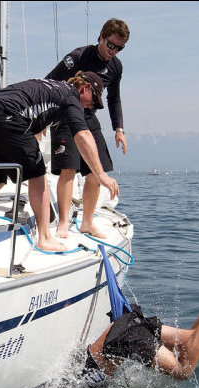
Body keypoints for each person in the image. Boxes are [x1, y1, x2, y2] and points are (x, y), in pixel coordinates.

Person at [0, 73, 119, 252]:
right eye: (94, 100)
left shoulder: (53, 86)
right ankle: (44, 238)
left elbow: (30, 104)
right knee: (38, 174)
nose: (91, 107)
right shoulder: (71, 96)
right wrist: (101, 174)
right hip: (4, 115)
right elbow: (83, 135)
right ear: (85, 88)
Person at [80, 282, 199, 387]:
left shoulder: (78, 381)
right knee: (192, 337)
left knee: (182, 370)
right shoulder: (81, 368)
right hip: (128, 325)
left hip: (126, 335)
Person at [46, 18, 130, 239]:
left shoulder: (116, 67)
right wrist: (44, 118)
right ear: (101, 37)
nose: (114, 51)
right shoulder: (78, 57)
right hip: (65, 114)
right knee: (69, 169)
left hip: (89, 117)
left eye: (119, 48)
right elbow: (49, 83)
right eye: (111, 45)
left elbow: (114, 99)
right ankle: (63, 223)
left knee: (96, 170)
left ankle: (87, 222)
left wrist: (119, 129)